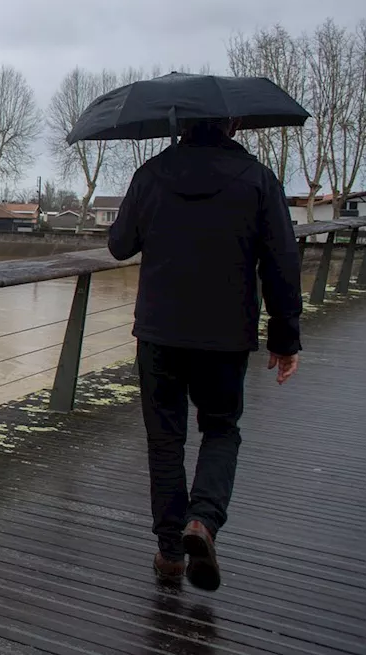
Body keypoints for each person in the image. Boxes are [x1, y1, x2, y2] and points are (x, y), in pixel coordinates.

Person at [108, 117, 302, 591]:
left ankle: (171, 553)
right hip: (225, 336)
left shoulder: (151, 174)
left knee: (165, 440)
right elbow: (282, 259)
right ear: (232, 124)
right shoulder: (258, 178)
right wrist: (284, 336)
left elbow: (118, 246)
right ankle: (203, 521)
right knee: (220, 429)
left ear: (180, 123)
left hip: (159, 334)